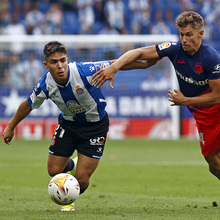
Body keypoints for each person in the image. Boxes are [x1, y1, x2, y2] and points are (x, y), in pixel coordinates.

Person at [92, 11, 220, 208]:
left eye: (189, 34)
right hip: (202, 115)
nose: (184, 39)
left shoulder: (211, 58)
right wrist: (114, 66)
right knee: (215, 166)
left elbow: (217, 96)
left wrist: (185, 100)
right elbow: (139, 55)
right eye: (181, 34)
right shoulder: (174, 49)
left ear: (200, 34)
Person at [2, 41, 155, 211]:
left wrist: (144, 65)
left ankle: (68, 198)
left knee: (82, 180)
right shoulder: (46, 84)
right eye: (54, 62)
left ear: (67, 59)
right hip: (69, 125)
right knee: (53, 170)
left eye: (62, 60)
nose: (60, 66)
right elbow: (28, 104)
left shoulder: (84, 71)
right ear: (46, 65)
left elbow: (115, 63)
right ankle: (73, 167)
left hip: (95, 127)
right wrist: (11, 126)